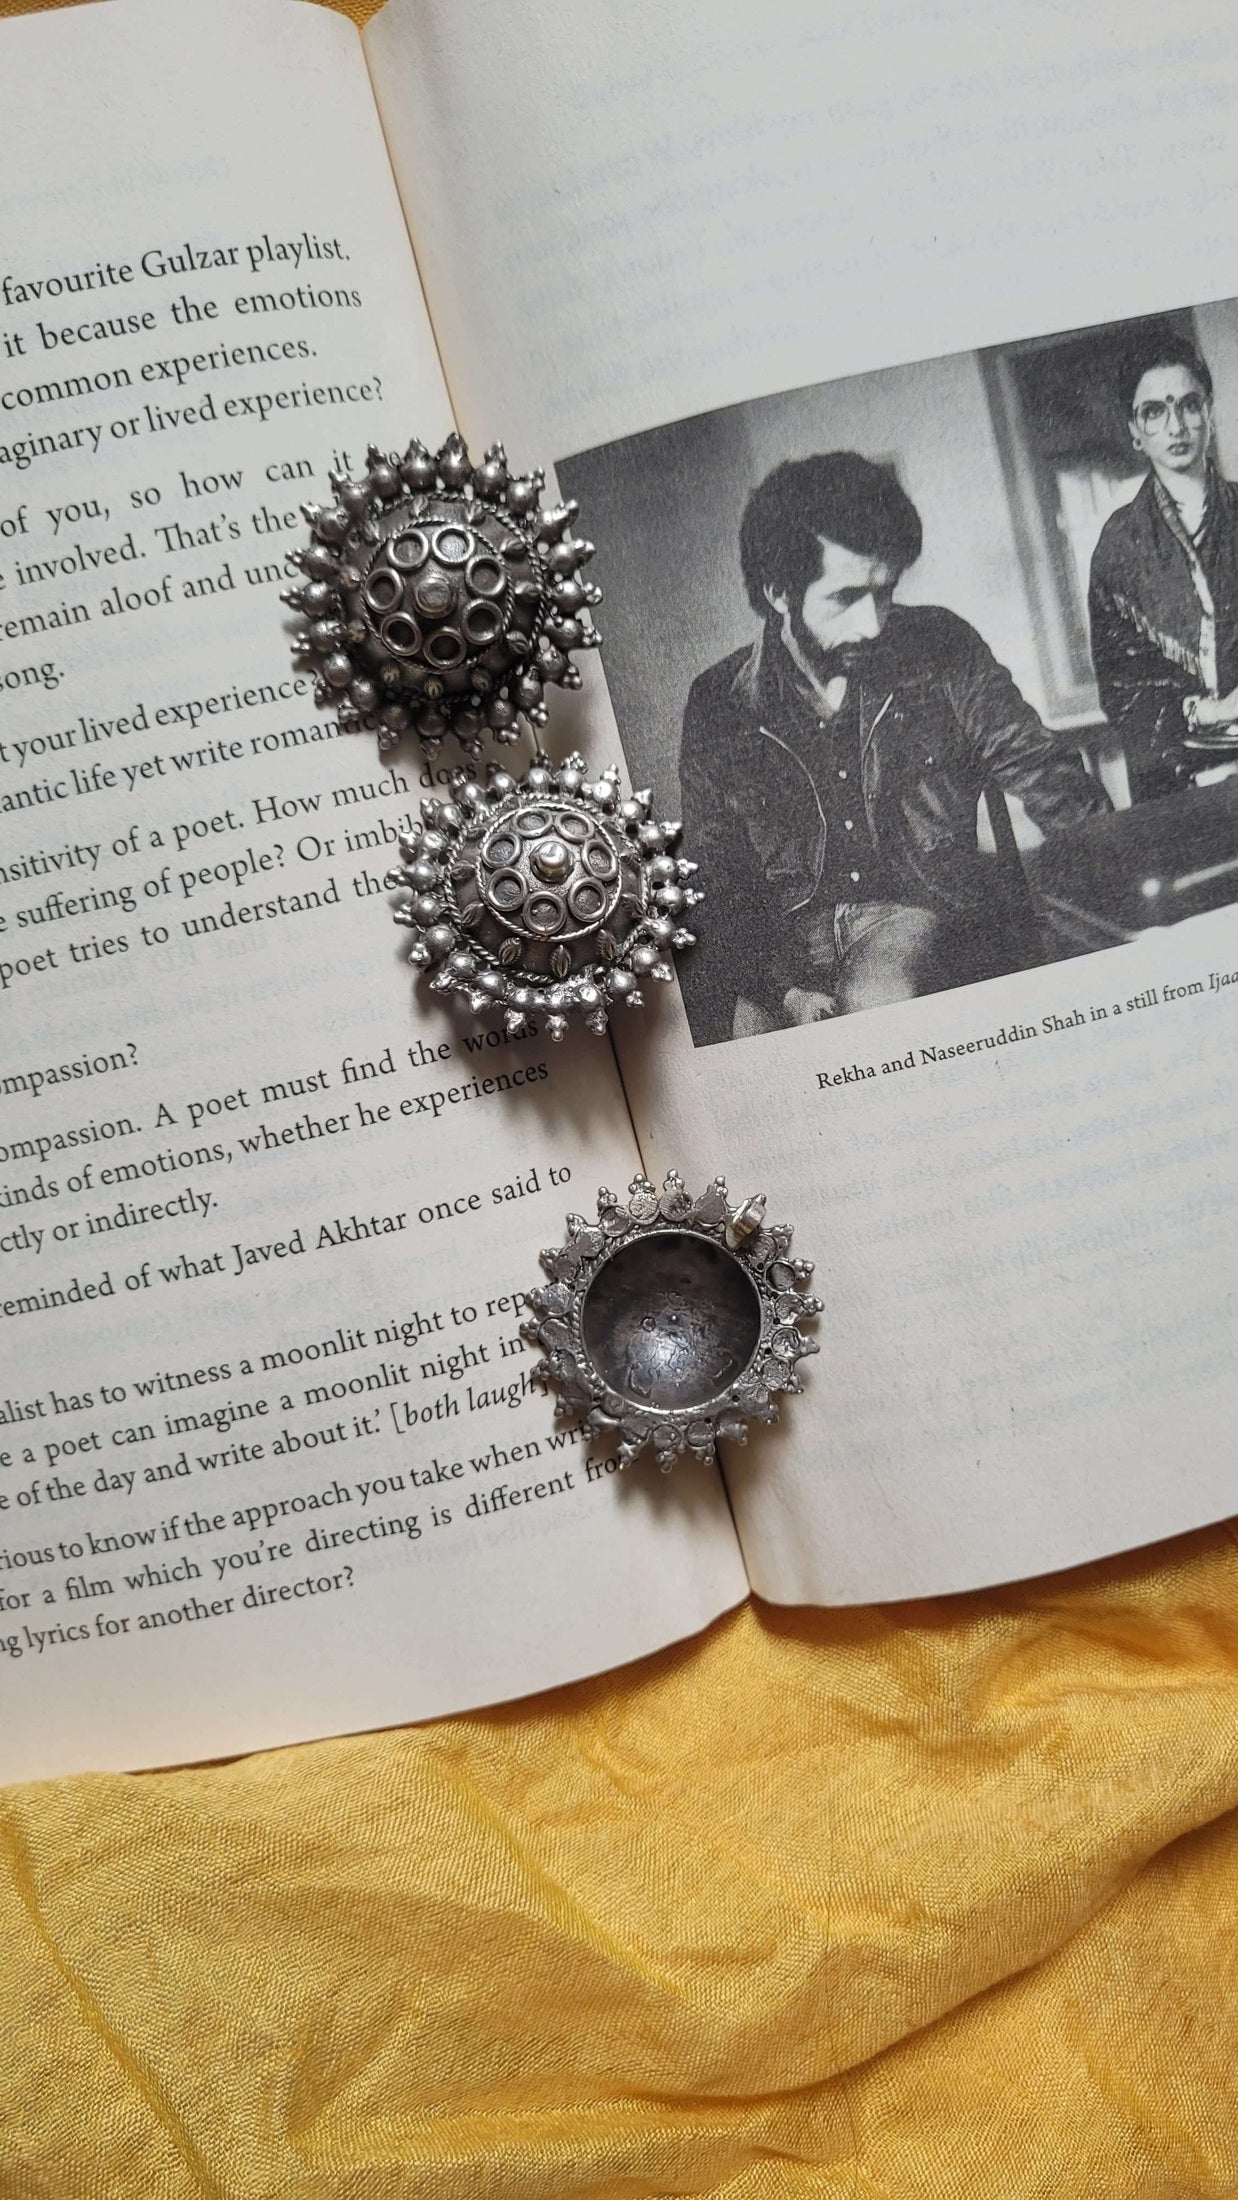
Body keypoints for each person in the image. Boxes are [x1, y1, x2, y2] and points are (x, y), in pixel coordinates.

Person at [679, 452, 1108, 1042]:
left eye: (885, 592)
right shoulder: (717, 703)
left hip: (923, 922)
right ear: (780, 591)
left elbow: (1040, 765)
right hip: (784, 957)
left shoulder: (941, 646)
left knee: (880, 1013)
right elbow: (716, 881)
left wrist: (1128, 880)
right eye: (846, 598)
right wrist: (780, 989)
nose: (874, 624)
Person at [1089, 332, 1238, 803]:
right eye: (1154, 411)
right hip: (1176, 782)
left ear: (1208, 415)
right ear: (1135, 431)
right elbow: (1121, 693)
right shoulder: (1119, 546)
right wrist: (1206, 712)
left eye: (1189, 405)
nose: (1176, 426)